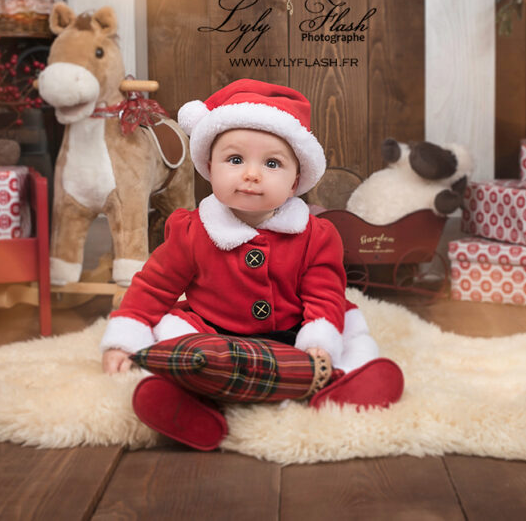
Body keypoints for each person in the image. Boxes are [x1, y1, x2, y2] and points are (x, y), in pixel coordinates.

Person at [100, 78, 403, 450]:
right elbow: (154, 285)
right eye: (235, 159)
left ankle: (344, 384)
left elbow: (324, 292)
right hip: (214, 335)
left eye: (272, 163)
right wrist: (123, 340)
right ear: (209, 167)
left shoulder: (315, 235)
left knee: (346, 330)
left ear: (295, 182)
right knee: (171, 338)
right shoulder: (193, 231)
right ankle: (188, 406)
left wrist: (319, 342)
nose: (251, 174)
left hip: (294, 332)